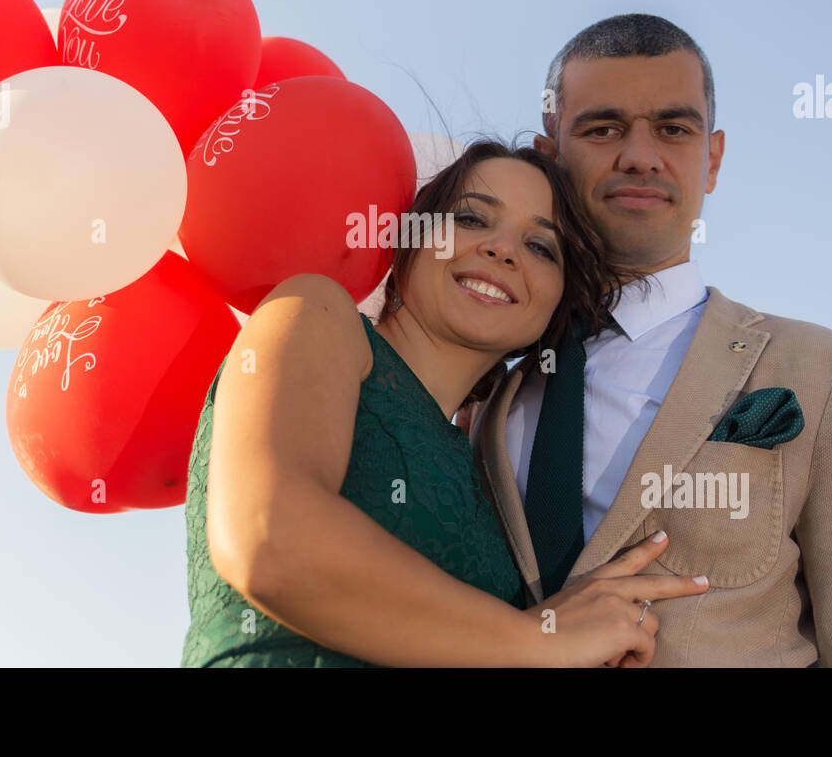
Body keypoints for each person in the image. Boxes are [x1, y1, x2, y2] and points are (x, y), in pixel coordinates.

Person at [465, 13, 832, 666]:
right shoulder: (482, 398)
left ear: (712, 159)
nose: (640, 155)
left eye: (674, 129)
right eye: (603, 128)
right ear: (549, 157)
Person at [180, 140, 711, 667]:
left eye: (541, 248)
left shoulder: (488, 473)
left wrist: (577, 620)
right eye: (473, 219)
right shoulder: (316, 310)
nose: (503, 250)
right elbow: (272, 539)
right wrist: (538, 639)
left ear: (555, 307)